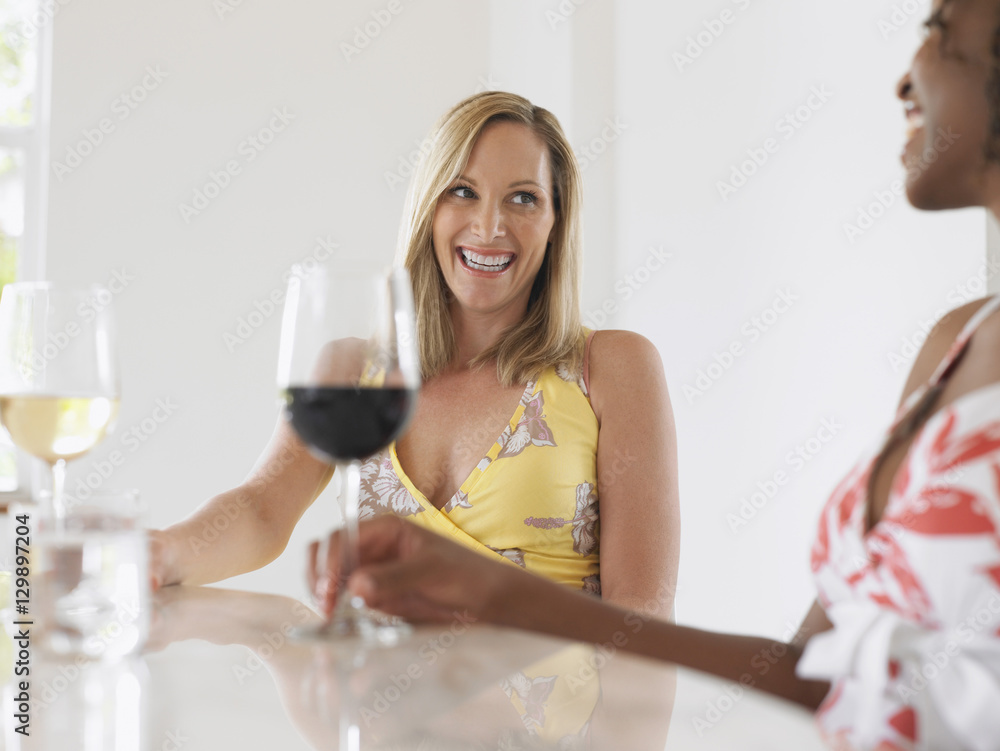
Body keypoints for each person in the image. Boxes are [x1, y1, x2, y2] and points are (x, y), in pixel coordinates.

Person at [308, 3, 1000, 749]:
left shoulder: (610, 366)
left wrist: (504, 600)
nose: (905, 78)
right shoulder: (957, 342)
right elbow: (821, 677)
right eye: (462, 191)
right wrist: (495, 595)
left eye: (939, 35)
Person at [151, 91, 680, 622]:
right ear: (429, 206)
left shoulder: (613, 367)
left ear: (556, 221)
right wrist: (163, 553)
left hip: (549, 701)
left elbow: (643, 616)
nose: (490, 226)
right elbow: (262, 510)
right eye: (463, 191)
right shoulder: (355, 372)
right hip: (377, 699)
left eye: (523, 198)